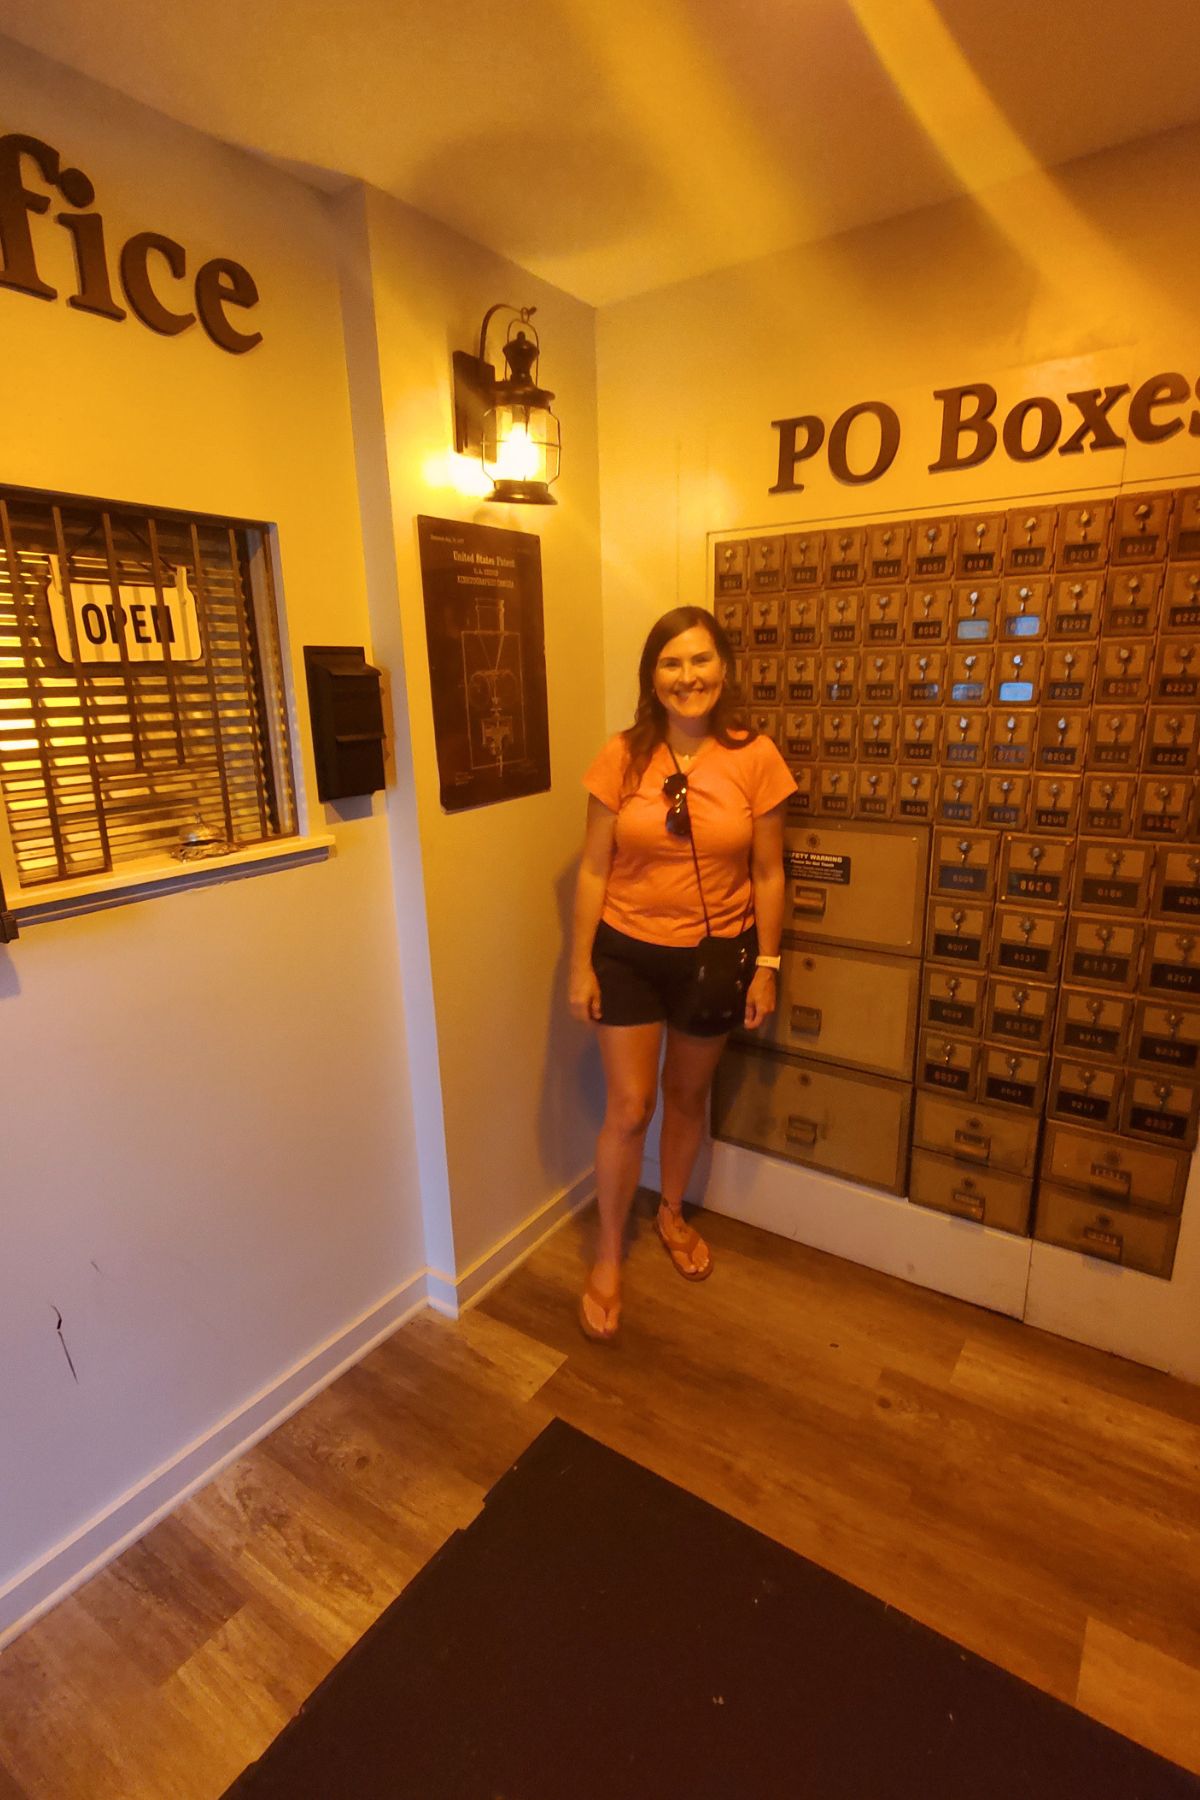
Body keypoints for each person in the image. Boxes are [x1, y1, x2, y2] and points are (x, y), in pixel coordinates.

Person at [569, 604, 797, 1341]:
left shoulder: (756, 757)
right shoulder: (622, 756)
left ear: (723, 670)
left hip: (715, 953)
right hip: (628, 951)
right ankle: (608, 1255)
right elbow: (594, 869)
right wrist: (580, 965)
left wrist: (766, 966)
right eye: (671, 663)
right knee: (629, 1108)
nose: (686, 676)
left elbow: (768, 872)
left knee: (688, 1094)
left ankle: (669, 1212)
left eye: (699, 661)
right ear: (652, 676)